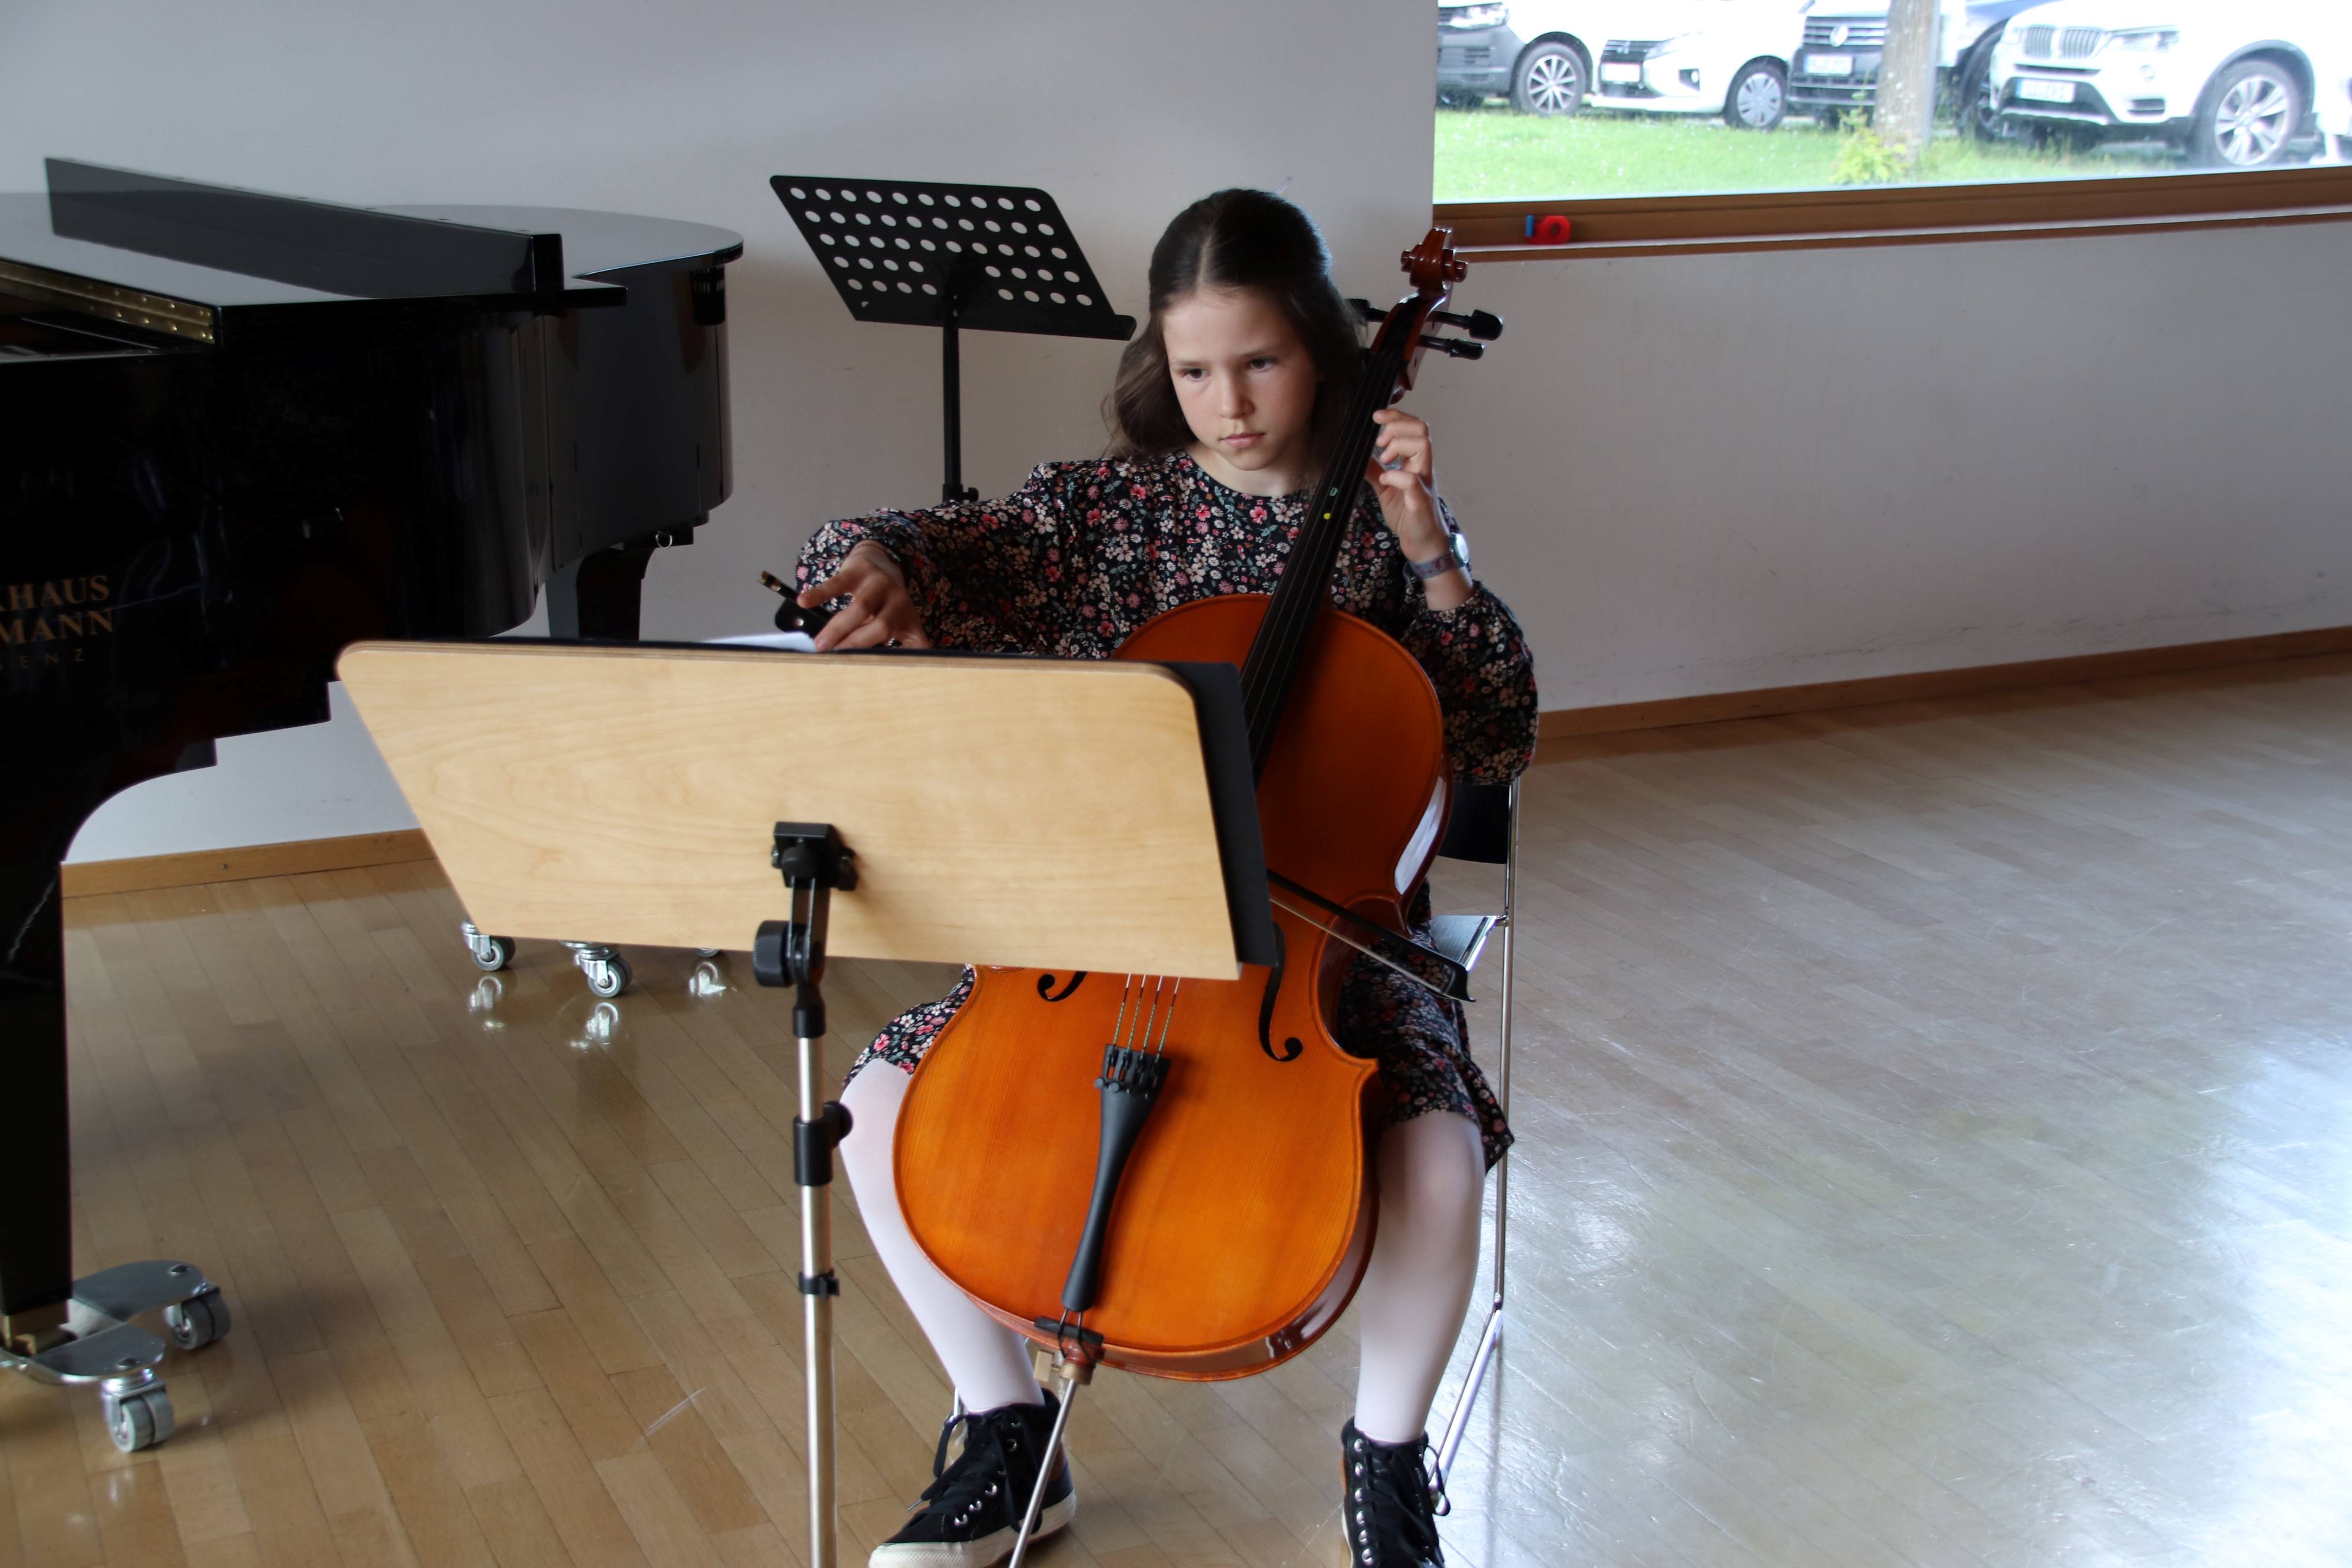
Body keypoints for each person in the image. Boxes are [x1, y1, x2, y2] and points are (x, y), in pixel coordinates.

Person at [791, 188, 1537, 1568]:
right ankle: (1007, 1434)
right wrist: (876, 564)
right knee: (880, 1104)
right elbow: (926, 543)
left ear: (1321, 347)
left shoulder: (1388, 528)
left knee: (1436, 1152)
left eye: (1260, 361)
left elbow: (1493, 737)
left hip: (1323, 957)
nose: (1229, 403)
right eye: (1195, 370)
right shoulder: (1102, 510)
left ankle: (1386, 1466)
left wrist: (1432, 550)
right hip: (1114, 931)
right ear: (1159, 363)